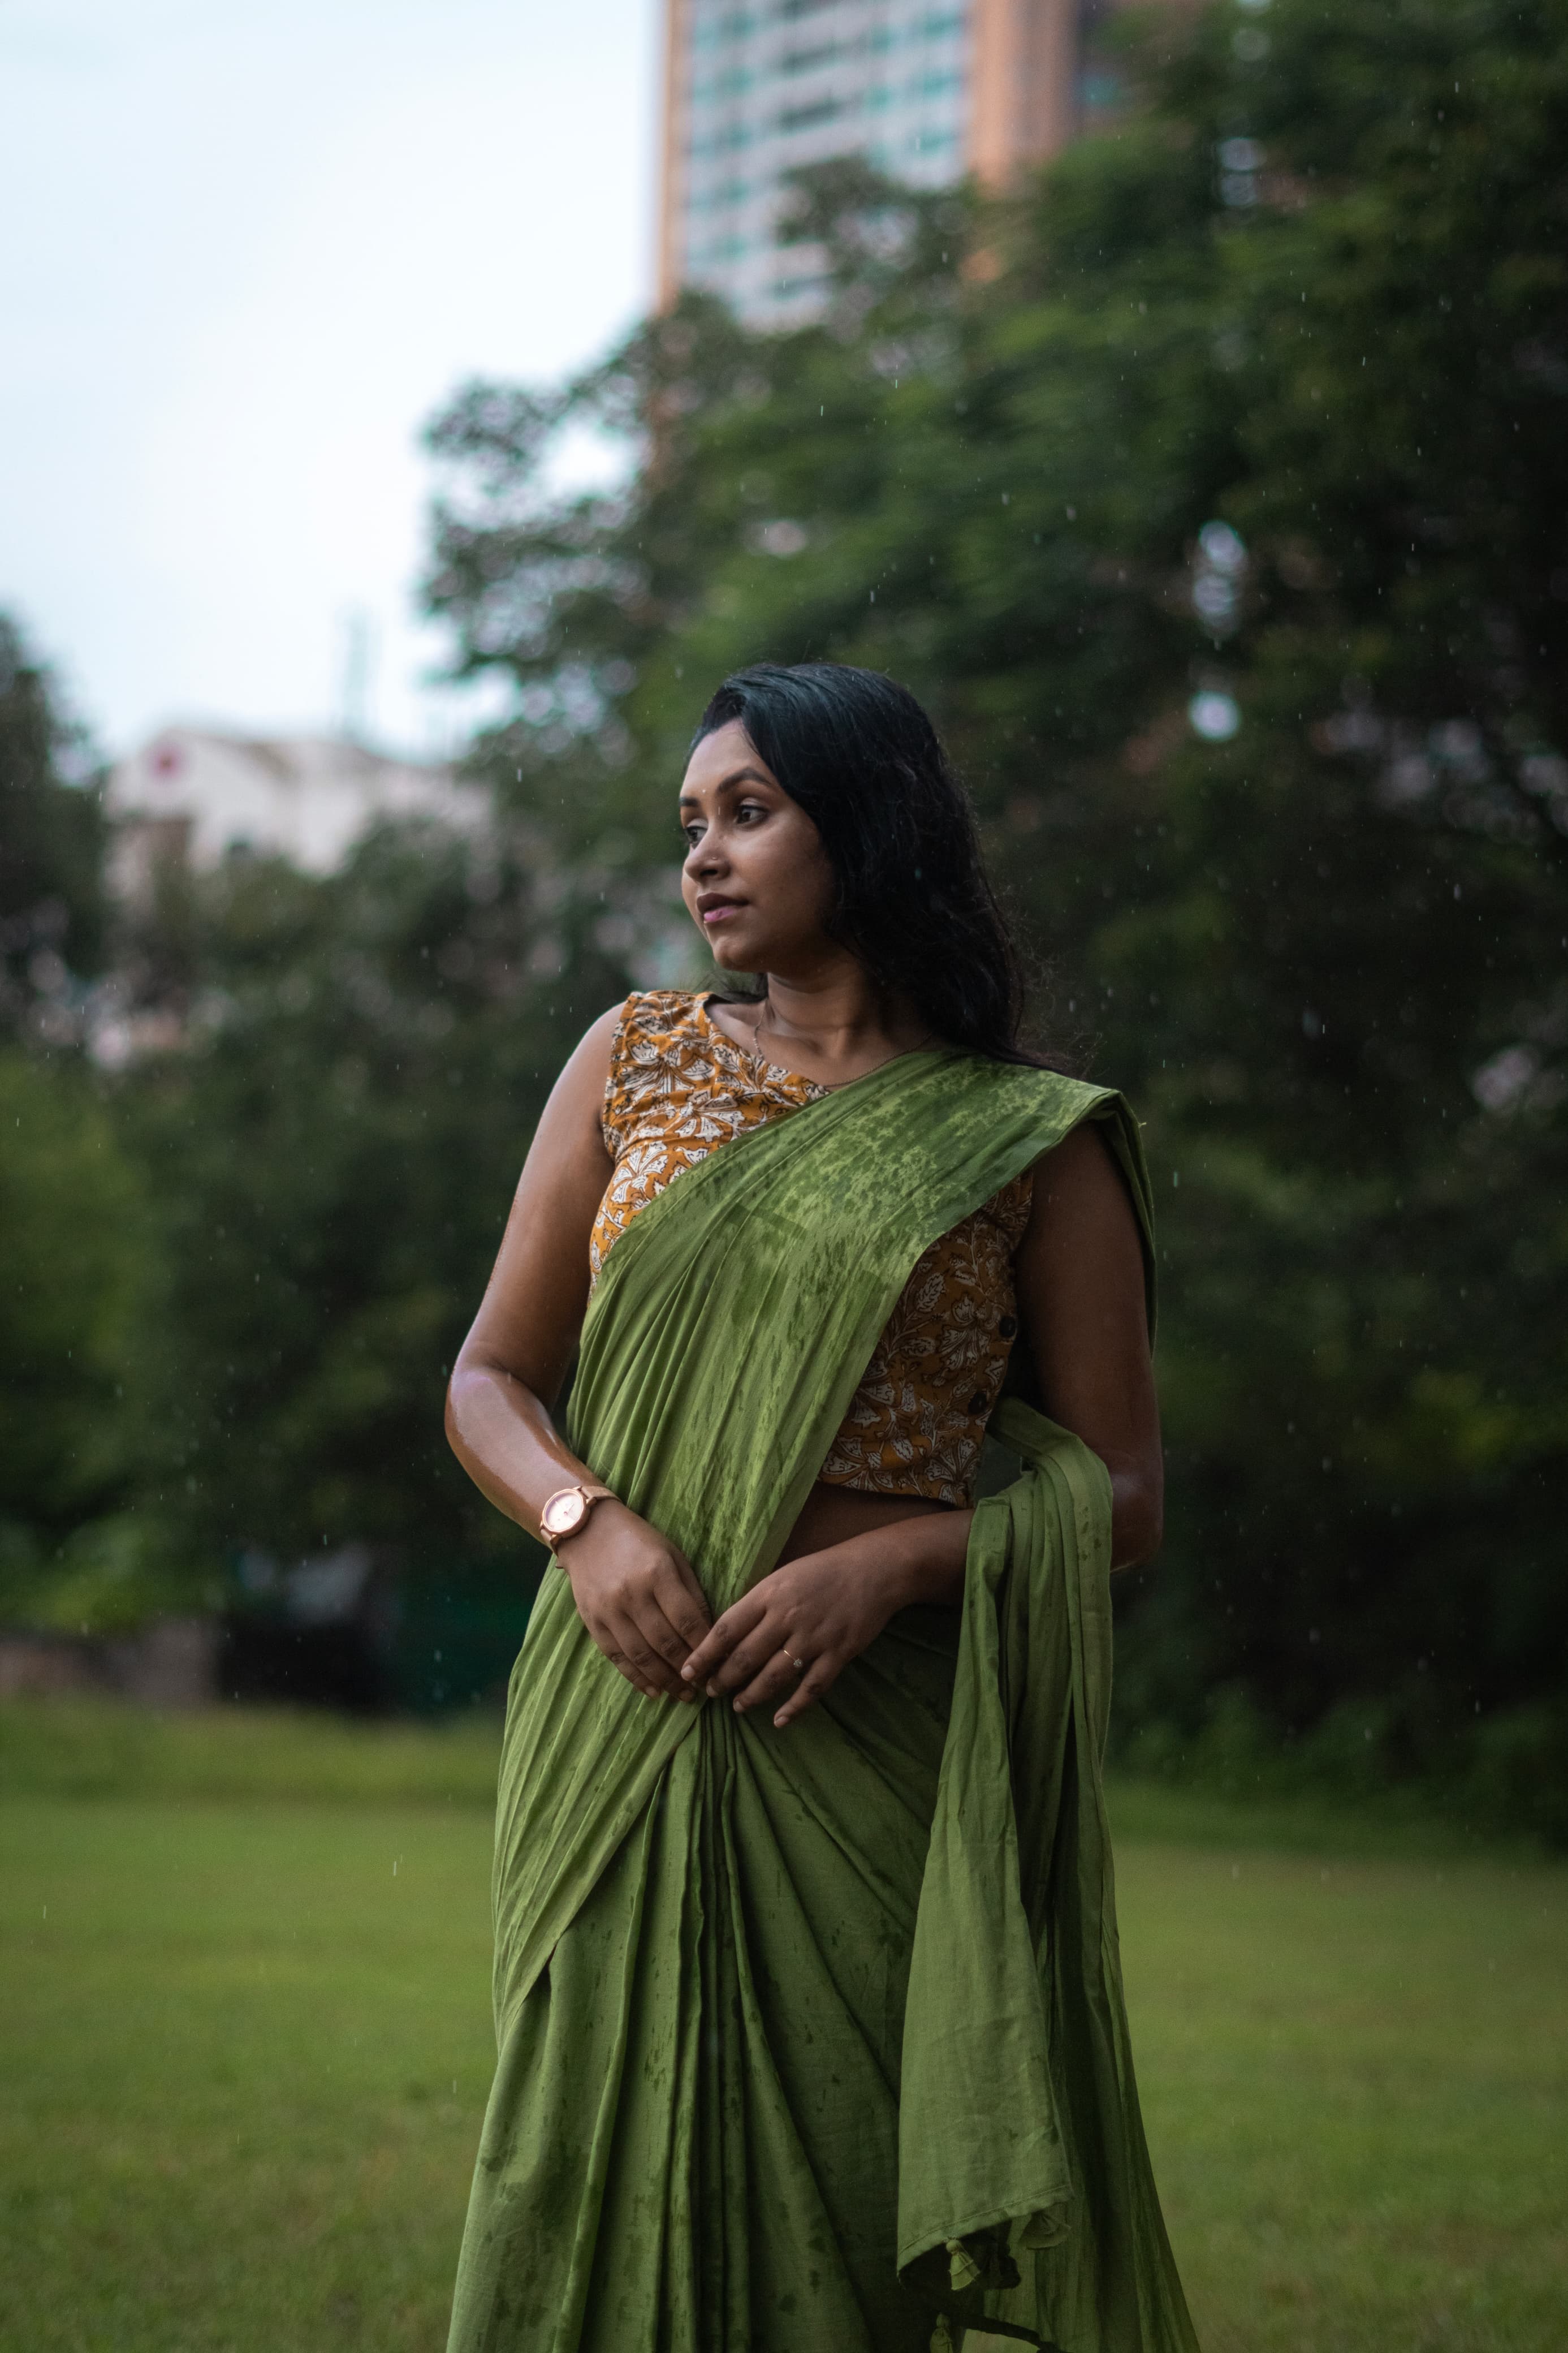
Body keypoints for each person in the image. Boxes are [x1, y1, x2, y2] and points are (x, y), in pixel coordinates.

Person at [443, 663, 1198, 2353]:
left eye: (750, 813)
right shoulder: (632, 1059)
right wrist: (587, 1524)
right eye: (691, 827)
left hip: (869, 1735)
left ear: (871, 825)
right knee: (573, 2176)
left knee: (842, 2228)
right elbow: (487, 1382)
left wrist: (898, 1569)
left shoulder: (1027, 1140)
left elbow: (1127, 1495)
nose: (704, 858)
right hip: (618, 1708)